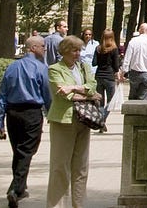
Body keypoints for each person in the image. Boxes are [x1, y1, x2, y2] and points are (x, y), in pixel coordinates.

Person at [0, 35, 50, 208]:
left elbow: (2, 96)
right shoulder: (41, 68)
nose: (45, 49)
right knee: (26, 151)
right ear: (33, 47)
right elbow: (47, 95)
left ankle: (20, 187)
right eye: (42, 46)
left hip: (12, 113)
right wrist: (51, 114)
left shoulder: (12, 67)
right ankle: (14, 188)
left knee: (19, 151)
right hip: (32, 113)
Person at [46, 35, 97, 208]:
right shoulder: (55, 69)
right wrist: (86, 94)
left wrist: (75, 87)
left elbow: (93, 87)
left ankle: (79, 205)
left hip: (84, 119)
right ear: (65, 51)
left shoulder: (84, 67)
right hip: (63, 121)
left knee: (81, 168)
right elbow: (65, 95)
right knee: (60, 167)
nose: (78, 54)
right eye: (74, 50)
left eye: (79, 50)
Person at [92, 29, 122, 134]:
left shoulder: (98, 48)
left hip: (99, 75)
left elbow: (94, 63)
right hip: (109, 77)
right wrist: (117, 74)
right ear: (112, 37)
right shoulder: (114, 49)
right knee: (111, 101)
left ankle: (101, 121)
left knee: (100, 101)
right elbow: (116, 65)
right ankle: (102, 120)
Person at [123, 23, 147, 100]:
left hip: (134, 73)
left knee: (133, 95)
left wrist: (124, 71)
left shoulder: (133, 42)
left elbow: (127, 58)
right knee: (144, 97)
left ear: (139, 30)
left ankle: (132, 111)